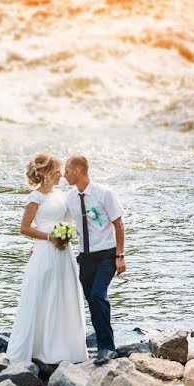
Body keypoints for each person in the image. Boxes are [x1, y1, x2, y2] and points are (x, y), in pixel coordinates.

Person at [6, 153, 88, 366]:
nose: (61, 174)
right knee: (44, 294)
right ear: (47, 174)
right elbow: (24, 228)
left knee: (64, 294)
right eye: (57, 171)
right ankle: (39, 348)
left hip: (63, 252)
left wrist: (67, 234)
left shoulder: (61, 195)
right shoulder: (36, 198)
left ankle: (65, 348)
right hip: (45, 252)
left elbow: (70, 220)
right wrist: (49, 237)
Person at [63, 155, 126, 366]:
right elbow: (62, 222)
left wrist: (120, 256)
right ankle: (103, 344)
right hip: (85, 258)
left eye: (67, 171)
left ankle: (107, 348)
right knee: (92, 300)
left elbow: (118, 224)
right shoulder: (70, 198)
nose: (64, 175)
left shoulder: (104, 193)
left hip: (107, 255)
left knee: (99, 295)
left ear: (78, 171)